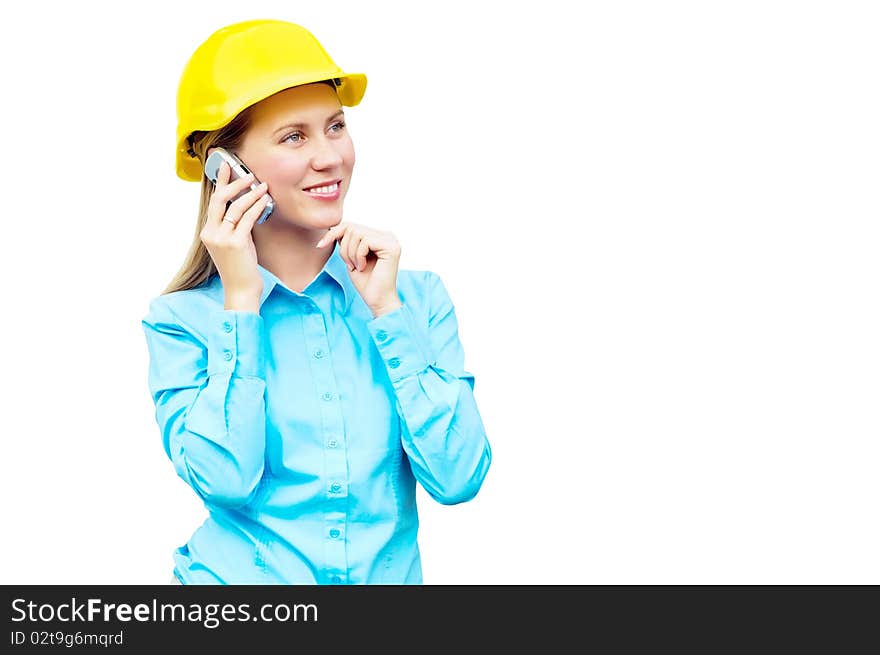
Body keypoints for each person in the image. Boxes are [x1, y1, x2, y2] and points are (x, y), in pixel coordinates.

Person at [140, 19, 491, 585]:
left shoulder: (413, 299)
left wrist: (388, 316)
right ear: (225, 168)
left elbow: (459, 477)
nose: (330, 157)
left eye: (335, 127)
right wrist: (241, 305)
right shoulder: (182, 322)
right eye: (293, 137)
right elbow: (224, 478)